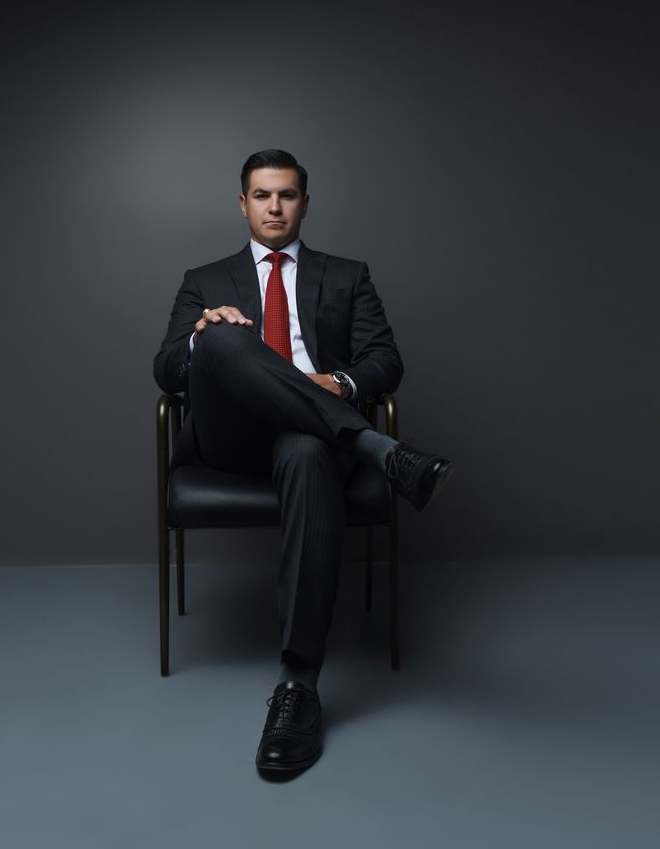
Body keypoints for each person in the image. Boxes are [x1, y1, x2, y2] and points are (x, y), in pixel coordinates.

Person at [153, 149, 452, 775]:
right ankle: (381, 451)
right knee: (224, 336)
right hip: (231, 440)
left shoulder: (347, 276)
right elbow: (164, 370)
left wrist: (339, 383)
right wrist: (201, 338)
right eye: (262, 195)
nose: (274, 207)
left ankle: (297, 688)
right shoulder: (203, 279)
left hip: (311, 436)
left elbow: (384, 361)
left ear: (304, 204)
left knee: (311, 445)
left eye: (286, 195)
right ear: (243, 204)